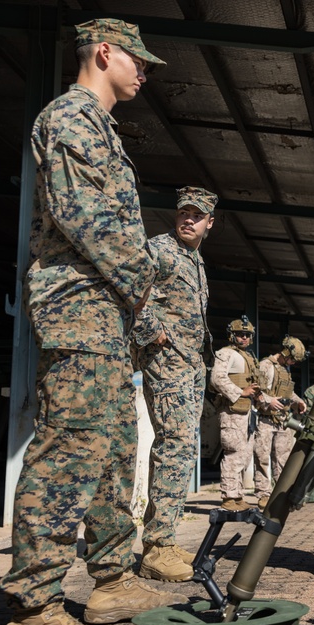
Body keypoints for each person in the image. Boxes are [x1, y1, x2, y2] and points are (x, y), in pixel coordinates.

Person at [0, 19, 186, 625]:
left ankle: (110, 581)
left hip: (105, 313)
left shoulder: (101, 127)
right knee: (67, 449)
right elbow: (89, 219)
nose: (144, 73)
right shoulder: (71, 117)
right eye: (139, 62)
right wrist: (144, 285)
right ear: (106, 53)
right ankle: (33, 611)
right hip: (79, 307)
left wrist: (133, 304)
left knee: (111, 450)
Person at [131, 186, 214, 582]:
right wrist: (154, 333)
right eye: (184, 212)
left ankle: (163, 538)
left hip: (189, 365)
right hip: (167, 362)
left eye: (196, 215)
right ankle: (157, 547)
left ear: (209, 223)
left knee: (182, 449)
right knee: (174, 444)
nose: (188, 219)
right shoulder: (159, 249)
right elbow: (132, 290)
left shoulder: (195, 261)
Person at [211, 317, 261, 512]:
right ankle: (229, 496)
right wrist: (241, 392)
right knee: (234, 452)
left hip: (246, 412)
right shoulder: (226, 354)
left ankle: (237, 495)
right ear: (232, 335)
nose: (244, 338)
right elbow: (217, 378)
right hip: (232, 411)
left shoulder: (249, 358)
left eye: (248, 335)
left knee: (244, 454)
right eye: (241, 334)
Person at [253, 335, 308, 509]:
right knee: (262, 457)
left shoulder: (285, 369)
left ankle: (282, 494)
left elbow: (288, 394)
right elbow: (256, 392)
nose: (293, 363)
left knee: (283, 458)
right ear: (285, 352)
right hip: (266, 420)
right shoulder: (265, 366)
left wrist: (298, 402)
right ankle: (263, 495)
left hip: (283, 421)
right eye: (292, 359)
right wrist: (269, 400)